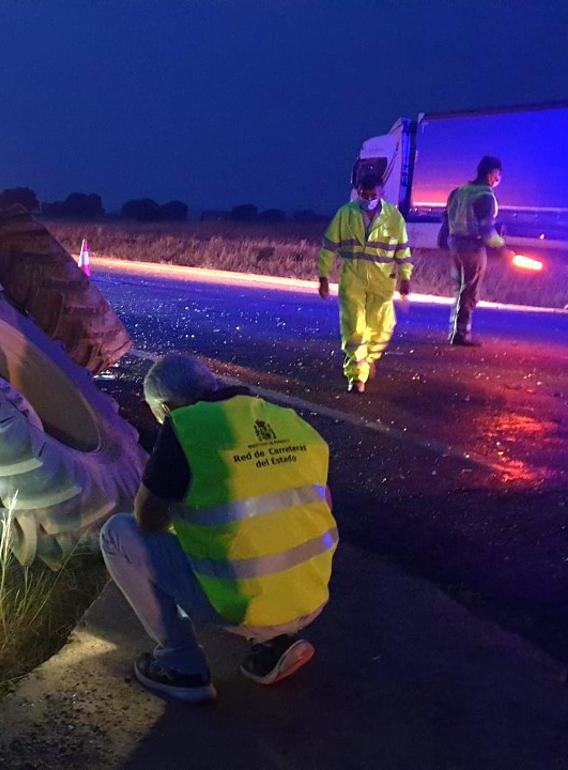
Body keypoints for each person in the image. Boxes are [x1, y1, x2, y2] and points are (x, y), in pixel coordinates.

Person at [100, 353, 337, 703]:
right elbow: (313, 505)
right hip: (312, 595)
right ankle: (274, 643)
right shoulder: (284, 419)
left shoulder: (185, 427)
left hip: (243, 605)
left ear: (165, 408)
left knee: (118, 535)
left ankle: (181, 667)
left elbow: (147, 519)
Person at [318, 173, 412, 393]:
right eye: (364, 194)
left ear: (381, 193)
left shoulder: (394, 217)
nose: (368, 198)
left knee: (382, 328)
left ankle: (369, 359)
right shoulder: (345, 214)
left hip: (383, 283)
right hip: (353, 281)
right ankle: (357, 376)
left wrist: (405, 277)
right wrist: (323, 276)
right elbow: (329, 247)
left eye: (373, 194)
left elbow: (402, 251)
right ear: (357, 191)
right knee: (355, 329)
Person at [443, 156, 504, 346]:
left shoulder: (459, 191)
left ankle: (455, 329)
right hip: (472, 247)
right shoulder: (485, 196)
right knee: (469, 291)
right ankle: (460, 334)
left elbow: (446, 218)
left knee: (459, 288)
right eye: (498, 174)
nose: (499, 178)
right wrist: (501, 246)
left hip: (455, 244)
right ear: (491, 173)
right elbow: (486, 228)